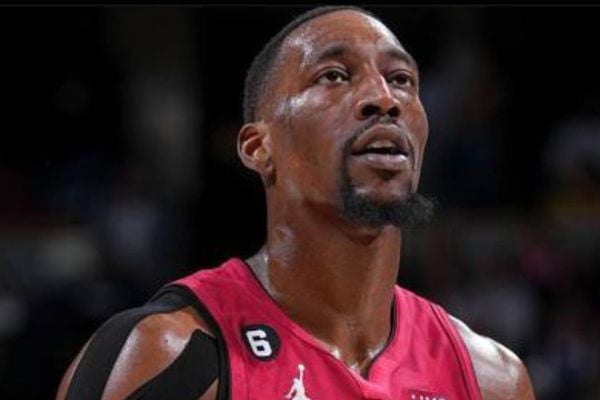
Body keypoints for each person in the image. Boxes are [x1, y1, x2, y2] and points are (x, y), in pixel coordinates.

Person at [56, 6, 536, 400]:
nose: (384, 98)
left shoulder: (491, 380)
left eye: (402, 79)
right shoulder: (167, 354)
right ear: (258, 148)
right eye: (334, 75)